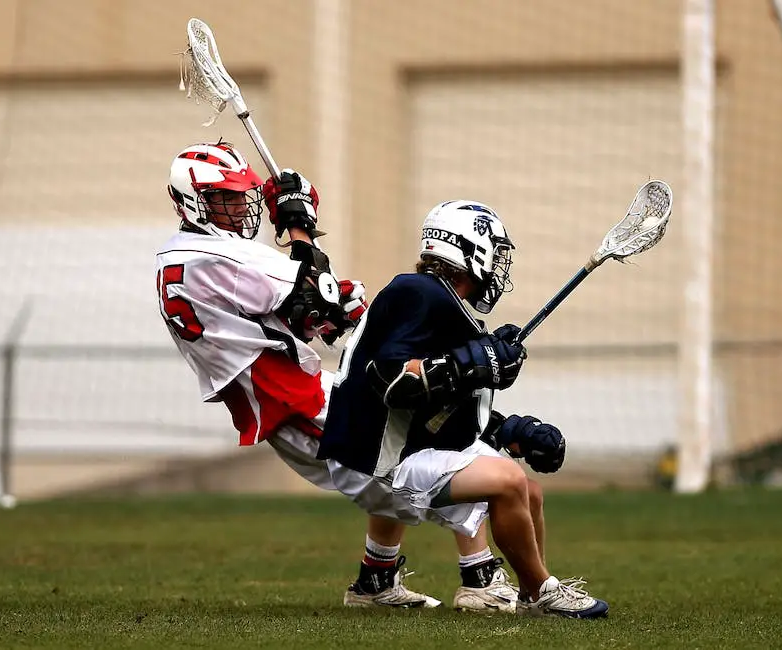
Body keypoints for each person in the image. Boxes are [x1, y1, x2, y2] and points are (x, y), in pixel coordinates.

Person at [155, 141, 517, 611]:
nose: (241, 207)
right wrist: (299, 226)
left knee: (395, 435)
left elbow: (303, 313)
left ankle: (376, 582)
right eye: (226, 198)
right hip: (288, 398)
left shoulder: (186, 254)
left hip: (288, 386)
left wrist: (334, 303)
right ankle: (481, 578)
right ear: (190, 199)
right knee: (417, 464)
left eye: (242, 195)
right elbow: (315, 292)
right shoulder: (220, 257)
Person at [318, 199, 610, 618]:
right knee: (507, 482)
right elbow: (391, 380)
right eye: (497, 252)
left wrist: (510, 430)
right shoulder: (417, 292)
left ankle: (505, 591)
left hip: (397, 448)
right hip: (374, 460)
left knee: (527, 491)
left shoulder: (442, 306)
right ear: (470, 249)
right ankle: (538, 591)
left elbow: (445, 410)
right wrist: (473, 362)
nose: (499, 266)